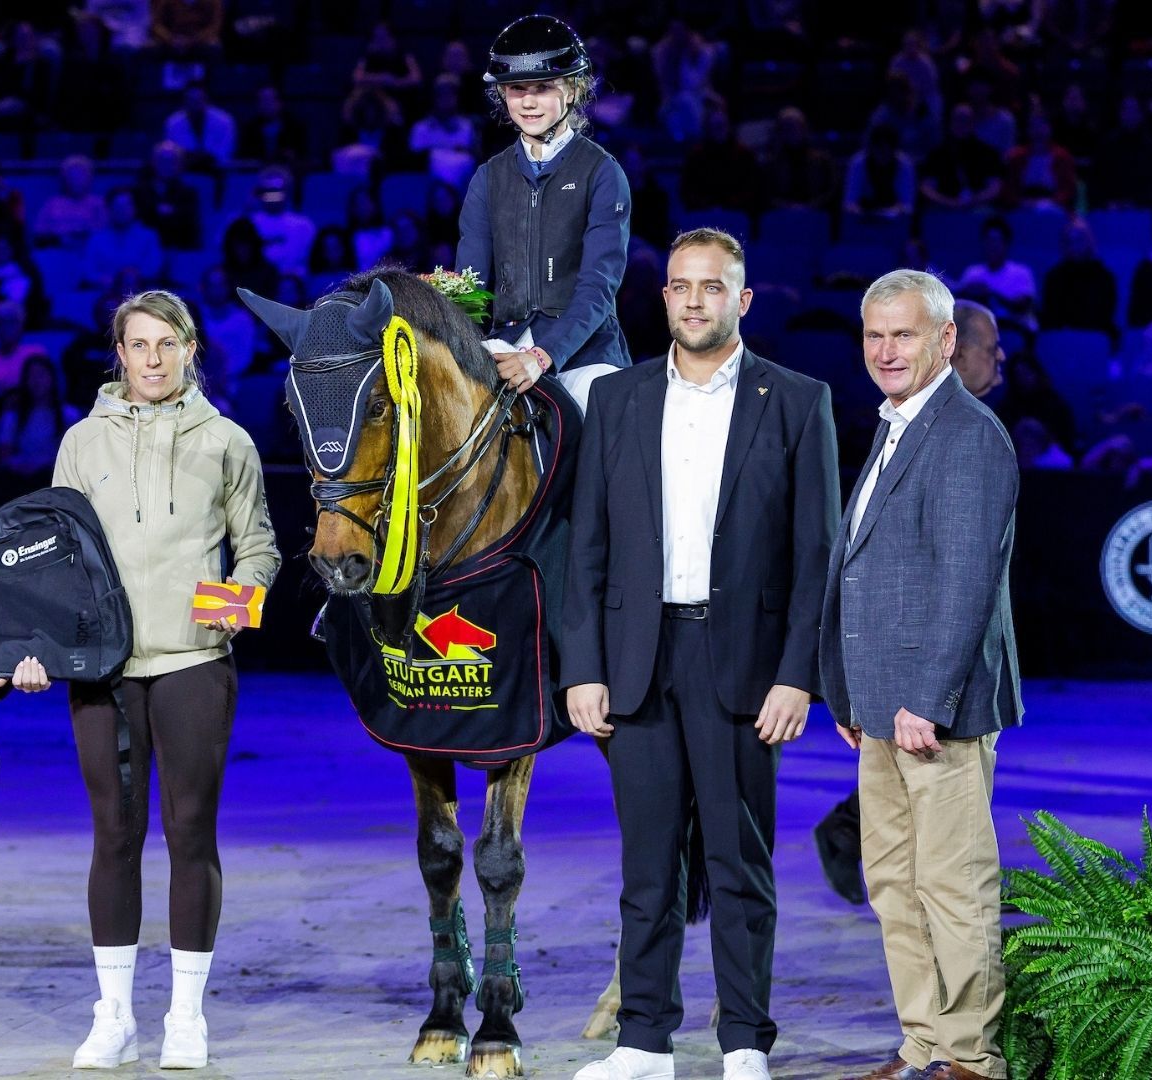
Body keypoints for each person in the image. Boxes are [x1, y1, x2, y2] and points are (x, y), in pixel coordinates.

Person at [563, 228, 840, 1080]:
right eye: (681, 286)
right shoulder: (618, 399)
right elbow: (589, 547)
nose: (693, 301)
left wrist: (798, 674)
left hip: (745, 670)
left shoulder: (796, 401)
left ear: (742, 300)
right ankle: (643, 1039)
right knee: (646, 866)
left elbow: (816, 555)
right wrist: (583, 666)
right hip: (638, 661)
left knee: (737, 863)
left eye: (712, 288)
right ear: (665, 298)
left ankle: (745, 1041)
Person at [0, 289, 279, 1071]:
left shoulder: (228, 441)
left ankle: (185, 1018)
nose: (152, 360)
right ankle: (115, 1015)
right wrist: (40, 650)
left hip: (193, 664)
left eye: (167, 344)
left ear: (192, 349)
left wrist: (232, 608)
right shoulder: (82, 441)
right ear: (117, 354)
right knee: (114, 838)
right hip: (104, 670)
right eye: (138, 345)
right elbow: (53, 560)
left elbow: (258, 549)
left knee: (191, 835)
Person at [823, 270, 1021, 1080]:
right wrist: (848, 689)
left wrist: (925, 702)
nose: (885, 350)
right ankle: (923, 1045)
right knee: (894, 889)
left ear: (946, 341)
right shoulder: (895, 426)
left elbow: (964, 584)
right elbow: (865, 571)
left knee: (953, 886)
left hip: (935, 712)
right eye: (874, 335)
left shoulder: (968, 435)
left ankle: (971, 1056)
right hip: (880, 708)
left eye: (903, 334)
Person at [455, 14, 633, 407]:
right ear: (503, 94)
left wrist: (543, 354)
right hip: (503, 343)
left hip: (584, 354)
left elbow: (598, 288)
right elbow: (470, 289)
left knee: (605, 416)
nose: (529, 101)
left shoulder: (602, 173)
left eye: (543, 87)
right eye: (517, 88)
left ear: (571, 91)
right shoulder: (488, 178)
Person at [0, 352, 82, 474]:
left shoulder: (69, 414)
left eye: (41, 375)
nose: (36, 381)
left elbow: (76, 455)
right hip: (19, 478)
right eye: (31, 376)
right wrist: (21, 463)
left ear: (52, 379)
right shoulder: (13, 415)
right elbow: (3, 454)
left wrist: (44, 463)